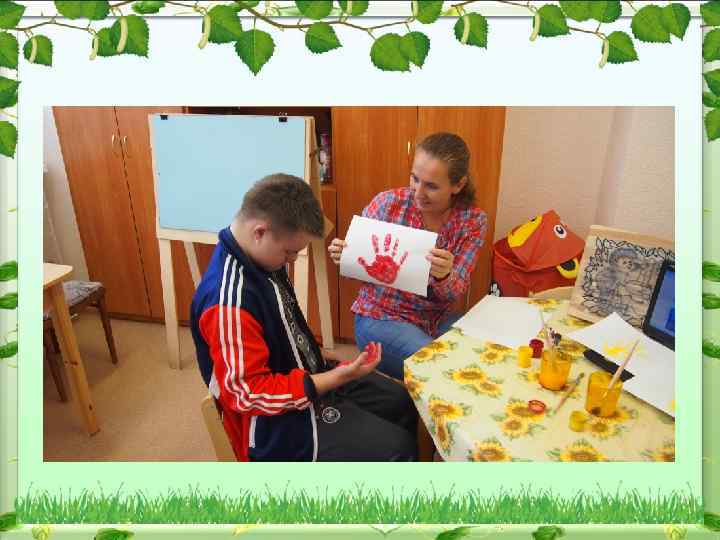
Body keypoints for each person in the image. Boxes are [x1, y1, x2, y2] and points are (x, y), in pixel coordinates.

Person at [190, 174, 417, 462]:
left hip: (302, 378)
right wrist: (335, 377)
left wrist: (319, 356)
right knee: (397, 448)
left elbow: (285, 325)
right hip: (269, 424)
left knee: (401, 402)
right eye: (289, 252)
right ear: (259, 232)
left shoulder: (262, 258)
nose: (292, 260)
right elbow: (246, 394)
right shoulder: (228, 303)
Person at [329, 132, 487, 380]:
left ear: (458, 185)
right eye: (415, 178)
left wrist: (444, 275)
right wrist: (345, 257)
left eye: (431, 186)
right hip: (380, 315)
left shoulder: (473, 221)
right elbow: (353, 272)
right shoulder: (387, 203)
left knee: (483, 354)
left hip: (435, 317)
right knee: (440, 366)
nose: (418, 192)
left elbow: (453, 293)